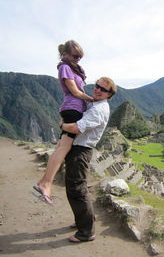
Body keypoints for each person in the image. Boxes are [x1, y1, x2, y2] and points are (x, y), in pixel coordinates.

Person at [33, 40, 94, 205]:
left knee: (61, 146)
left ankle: (45, 183)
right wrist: (92, 99)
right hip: (72, 109)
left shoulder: (72, 68)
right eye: (75, 56)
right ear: (65, 54)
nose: (78, 59)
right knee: (64, 147)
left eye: (80, 57)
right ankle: (45, 183)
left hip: (72, 109)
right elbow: (75, 92)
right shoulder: (65, 67)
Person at [60, 77, 116, 242]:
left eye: (103, 89)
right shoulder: (95, 103)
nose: (98, 90)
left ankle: (86, 232)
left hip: (81, 150)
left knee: (77, 189)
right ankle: (83, 221)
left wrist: (62, 125)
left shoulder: (99, 110)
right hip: (78, 148)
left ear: (109, 95)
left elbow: (77, 128)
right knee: (76, 187)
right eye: (97, 86)